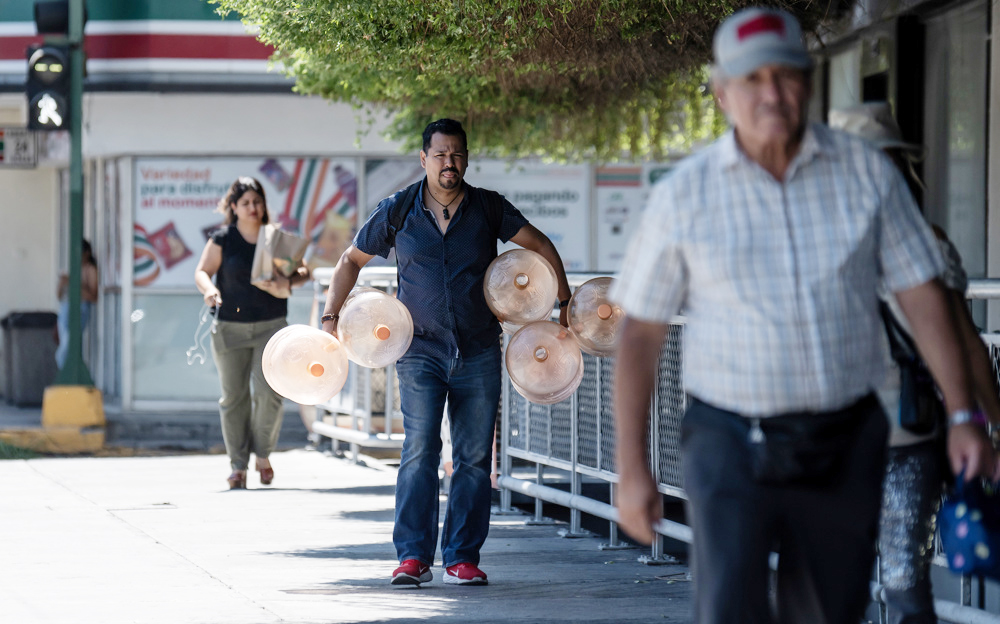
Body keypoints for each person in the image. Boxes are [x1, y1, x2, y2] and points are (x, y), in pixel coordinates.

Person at [609, 8, 999, 624]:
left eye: (787, 75)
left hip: (844, 437)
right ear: (722, 94)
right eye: (753, 78)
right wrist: (632, 470)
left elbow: (925, 297)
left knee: (827, 611)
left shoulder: (867, 174)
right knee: (730, 607)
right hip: (730, 440)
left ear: (809, 81)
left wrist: (963, 414)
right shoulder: (684, 195)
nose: (772, 93)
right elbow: (640, 335)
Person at [321, 118, 572, 586]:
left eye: (456, 154)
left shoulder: (489, 207)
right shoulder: (398, 209)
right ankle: (413, 557)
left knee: (475, 457)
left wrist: (564, 300)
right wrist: (331, 317)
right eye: (439, 155)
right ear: (424, 159)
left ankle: (462, 556)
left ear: (467, 158)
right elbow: (350, 260)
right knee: (419, 450)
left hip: (477, 349)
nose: (448, 163)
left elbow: (538, 244)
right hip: (418, 351)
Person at [830, 102, 1000, 624]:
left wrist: (981, 423)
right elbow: (967, 343)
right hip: (874, 433)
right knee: (894, 580)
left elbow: (963, 344)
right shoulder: (926, 240)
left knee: (873, 580)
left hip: (869, 434)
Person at [194, 176, 309, 490]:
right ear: (233, 207)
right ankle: (237, 466)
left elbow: (303, 270)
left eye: (257, 201)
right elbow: (202, 271)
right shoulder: (222, 238)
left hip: (271, 328)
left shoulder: (274, 238)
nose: (252, 208)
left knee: (270, 393)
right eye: (245, 203)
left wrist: (287, 282)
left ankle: (263, 454)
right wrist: (209, 290)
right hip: (229, 328)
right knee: (234, 398)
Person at [55, 239, 99, 369]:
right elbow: (59, 296)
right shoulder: (73, 269)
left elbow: (93, 296)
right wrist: (62, 284)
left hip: (80, 309)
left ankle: (69, 378)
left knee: (64, 352)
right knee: (66, 346)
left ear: (86, 253)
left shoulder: (90, 269)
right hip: (65, 308)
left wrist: (73, 282)